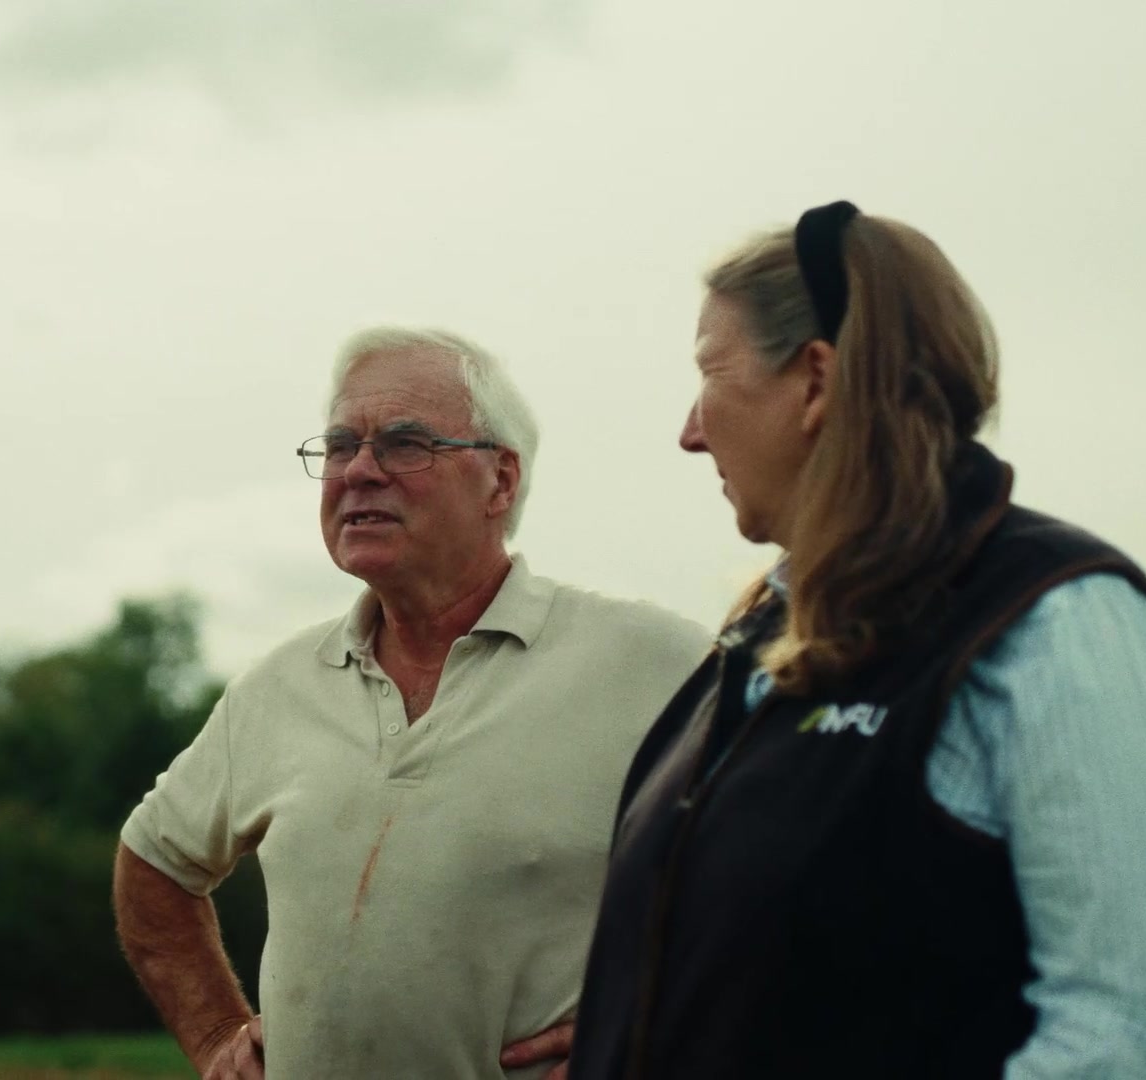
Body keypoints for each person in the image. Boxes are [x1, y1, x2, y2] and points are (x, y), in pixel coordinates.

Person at [564, 202, 1146, 1079]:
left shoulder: (1058, 620)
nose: (690, 432)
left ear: (816, 380)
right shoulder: (759, 636)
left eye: (710, 374)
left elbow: (1130, 1036)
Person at [113, 326, 711, 1080]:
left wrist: (662, 1025)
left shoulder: (655, 661)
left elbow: (788, 882)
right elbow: (154, 863)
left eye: (405, 444)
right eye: (340, 446)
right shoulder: (278, 686)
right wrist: (214, 1036)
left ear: (500, 481)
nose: (360, 471)